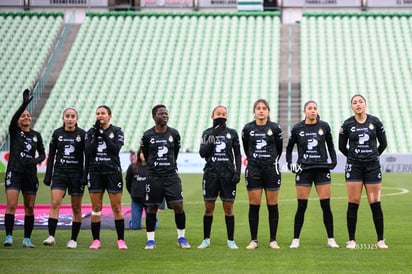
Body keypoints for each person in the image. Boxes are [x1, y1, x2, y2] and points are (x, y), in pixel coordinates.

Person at [286, 100, 339, 249]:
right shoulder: (297, 128)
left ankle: (331, 239)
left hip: (322, 169)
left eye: (315, 108)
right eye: (310, 108)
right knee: (301, 206)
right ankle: (295, 239)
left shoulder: (324, 126)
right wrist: (291, 164)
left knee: (326, 206)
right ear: (305, 111)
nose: (312, 111)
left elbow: (331, 146)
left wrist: (333, 161)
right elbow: (289, 149)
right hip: (304, 170)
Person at [339, 94, 388, 249]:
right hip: (354, 168)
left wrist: (372, 156)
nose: (358, 104)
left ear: (365, 104)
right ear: (352, 106)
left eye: (360, 102)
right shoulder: (347, 124)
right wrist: (354, 158)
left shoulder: (375, 121)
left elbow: (383, 143)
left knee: (375, 203)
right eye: (354, 102)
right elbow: (341, 147)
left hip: (372, 167)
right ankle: (351, 240)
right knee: (353, 203)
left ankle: (380, 240)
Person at [140, 104, 190, 249]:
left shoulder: (174, 134)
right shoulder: (148, 135)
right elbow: (147, 154)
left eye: (166, 113)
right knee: (152, 208)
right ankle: (150, 240)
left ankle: (181, 238)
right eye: (161, 113)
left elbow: (175, 153)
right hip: (154, 177)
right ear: (154, 117)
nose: (165, 116)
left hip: (171, 176)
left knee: (178, 206)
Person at [3, 89, 46, 247]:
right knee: (12, 205)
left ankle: (27, 239)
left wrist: (35, 162)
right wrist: (24, 104)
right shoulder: (15, 132)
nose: (26, 117)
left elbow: (42, 154)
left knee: (29, 207)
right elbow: (14, 118)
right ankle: (8, 236)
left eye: (28, 115)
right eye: (23, 115)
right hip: (14, 172)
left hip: (30, 174)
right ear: (19, 120)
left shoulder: (36, 135)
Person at [197, 105, 242, 250]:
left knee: (228, 208)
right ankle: (206, 239)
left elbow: (237, 154)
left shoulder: (232, 133)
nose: (221, 116)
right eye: (218, 113)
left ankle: (231, 240)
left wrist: (238, 171)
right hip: (211, 174)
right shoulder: (207, 133)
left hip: (228, 175)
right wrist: (214, 134)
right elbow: (203, 153)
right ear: (213, 116)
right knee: (208, 208)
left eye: (223, 114)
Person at [241, 99, 283, 249]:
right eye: (258, 108)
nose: (261, 110)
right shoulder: (247, 129)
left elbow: (279, 148)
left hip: (271, 169)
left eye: (264, 108)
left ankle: (273, 240)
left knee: (272, 205)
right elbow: (246, 148)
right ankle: (254, 240)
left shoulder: (275, 128)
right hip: (253, 170)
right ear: (254, 111)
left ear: (268, 111)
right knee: (254, 205)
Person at [85, 105, 127, 250]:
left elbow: (115, 150)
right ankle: (96, 240)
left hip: (112, 172)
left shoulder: (117, 131)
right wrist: (97, 134)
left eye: (103, 113)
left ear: (109, 115)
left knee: (117, 207)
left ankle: (121, 240)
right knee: (96, 207)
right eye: (97, 113)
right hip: (95, 172)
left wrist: (103, 134)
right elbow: (88, 151)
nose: (100, 115)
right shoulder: (91, 132)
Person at [42, 107, 86, 249]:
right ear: (63, 118)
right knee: (55, 203)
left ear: (76, 118)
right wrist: (48, 175)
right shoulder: (57, 134)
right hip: (60, 173)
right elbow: (52, 155)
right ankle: (51, 236)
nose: (70, 118)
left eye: (73, 116)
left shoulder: (82, 134)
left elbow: (88, 156)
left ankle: (73, 239)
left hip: (76, 174)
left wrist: (85, 175)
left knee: (76, 208)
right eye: (67, 116)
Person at [125, 149, 159, 230]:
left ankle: (154, 219)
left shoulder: (153, 168)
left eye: (145, 153)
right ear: (139, 154)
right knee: (135, 227)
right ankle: (133, 221)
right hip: (136, 200)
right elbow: (128, 183)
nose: (143, 155)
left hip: (149, 200)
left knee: (153, 226)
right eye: (141, 153)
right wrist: (133, 193)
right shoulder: (132, 167)